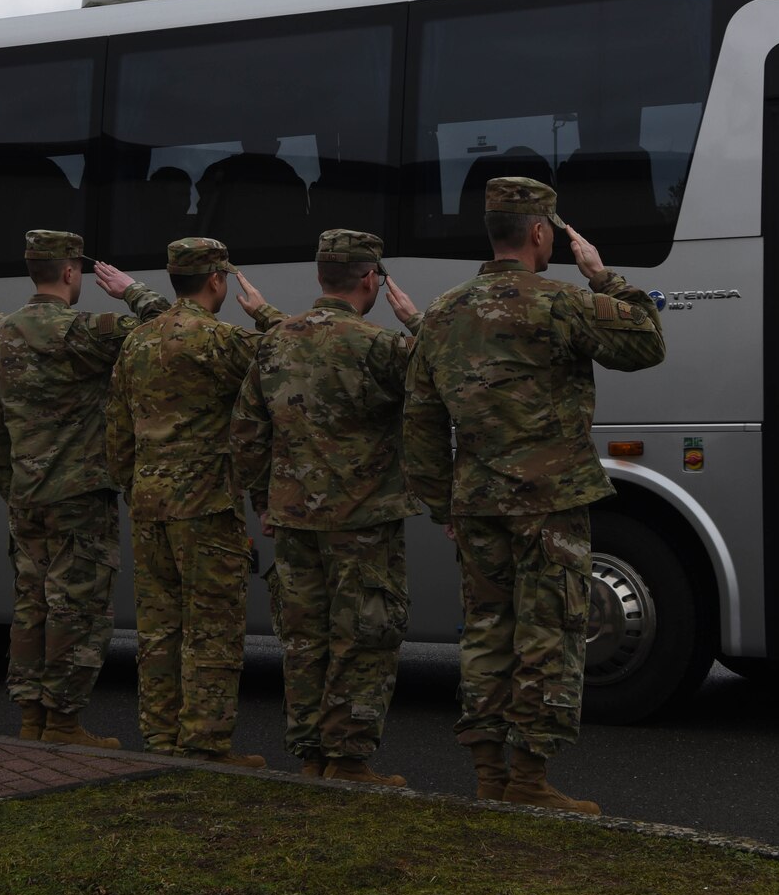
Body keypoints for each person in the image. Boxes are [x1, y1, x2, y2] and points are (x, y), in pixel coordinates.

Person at [404, 178, 666, 811]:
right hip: (549, 503)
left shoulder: (441, 313)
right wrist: (603, 276)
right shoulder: (560, 302)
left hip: (477, 502)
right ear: (542, 233)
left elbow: (421, 420)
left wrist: (446, 503)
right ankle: (528, 780)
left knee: (488, 633)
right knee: (549, 631)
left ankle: (489, 774)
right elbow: (647, 344)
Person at [231, 229, 422, 785]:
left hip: (293, 520)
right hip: (363, 522)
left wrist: (263, 499)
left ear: (320, 278)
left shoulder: (274, 343)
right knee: (364, 635)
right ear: (371, 280)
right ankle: (348, 759)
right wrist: (415, 320)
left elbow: (246, 435)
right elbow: (452, 375)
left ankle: (311, 755)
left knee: (304, 637)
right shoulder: (381, 346)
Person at [0, 230, 170, 748]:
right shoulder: (87, 330)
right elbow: (173, 329)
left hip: (26, 494)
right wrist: (133, 290)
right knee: (76, 607)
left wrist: (15, 486)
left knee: (31, 603)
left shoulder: (2, 333)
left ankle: (30, 719)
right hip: (79, 496)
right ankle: (62, 722)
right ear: (69, 272)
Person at [106, 237, 281, 766]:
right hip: (205, 506)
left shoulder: (136, 343)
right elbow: (293, 358)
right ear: (217, 280)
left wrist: (135, 486)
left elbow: (117, 432)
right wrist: (266, 315)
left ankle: (161, 740)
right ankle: (203, 743)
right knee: (211, 629)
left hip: (149, 503)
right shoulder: (222, 340)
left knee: (159, 631)